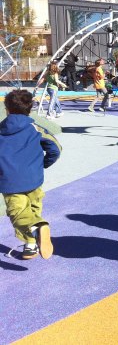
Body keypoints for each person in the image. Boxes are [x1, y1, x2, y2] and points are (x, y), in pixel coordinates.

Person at [0, 90, 61, 260]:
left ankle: (37, 228)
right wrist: (44, 164)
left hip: (10, 181)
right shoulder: (36, 128)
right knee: (33, 209)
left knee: (18, 214)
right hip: (34, 178)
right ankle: (31, 244)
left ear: (7, 109)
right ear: (30, 109)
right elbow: (55, 148)